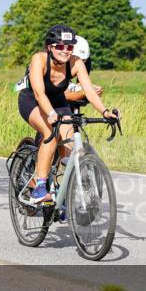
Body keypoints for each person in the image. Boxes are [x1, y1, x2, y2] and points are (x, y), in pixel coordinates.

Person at [16, 25, 117, 208]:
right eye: (61, 46)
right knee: (50, 133)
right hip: (32, 101)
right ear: (50, 47)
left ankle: (60, 191)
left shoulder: (76, 63)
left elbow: (89, 91)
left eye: (69, 47)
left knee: (69, 142)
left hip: (58, 102)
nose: (66, 51)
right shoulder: (39, 59)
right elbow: (39, 93)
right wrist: (51, 114)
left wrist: (105, 112)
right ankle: (39, 187)